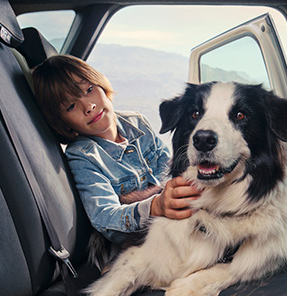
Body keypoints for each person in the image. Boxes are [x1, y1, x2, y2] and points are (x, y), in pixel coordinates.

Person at [32, 55, 201, 245]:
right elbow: (104, 216)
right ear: (62, 122)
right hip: (142, 240)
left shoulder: (137, 123)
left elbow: (171, 168)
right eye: (71, 106)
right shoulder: (82, 156)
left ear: (102, 85)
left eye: (89, 89)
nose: (88, 106)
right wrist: (155, 206)